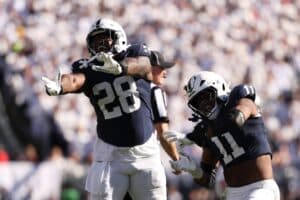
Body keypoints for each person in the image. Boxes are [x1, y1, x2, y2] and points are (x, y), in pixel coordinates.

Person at [42, 18, 166, 200]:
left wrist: (120, 68)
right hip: (110, 156)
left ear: (118, 37)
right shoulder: (90, 66)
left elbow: (144, 65)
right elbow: (75, 79)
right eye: (95, 40)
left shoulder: (135, 51)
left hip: (145, 155)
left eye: (105, 38)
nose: (100, 43)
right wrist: (60, 85)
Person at [164, 71, 280, 200]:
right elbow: (208, 180)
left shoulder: (242, 101)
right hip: (232, 194)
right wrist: (193, 169)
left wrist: (193, 137)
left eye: (206, 97)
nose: (204, 105)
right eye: (198, 103)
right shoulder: (209, 131)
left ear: (219, 88)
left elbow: (235, 120)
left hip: (260, 189)